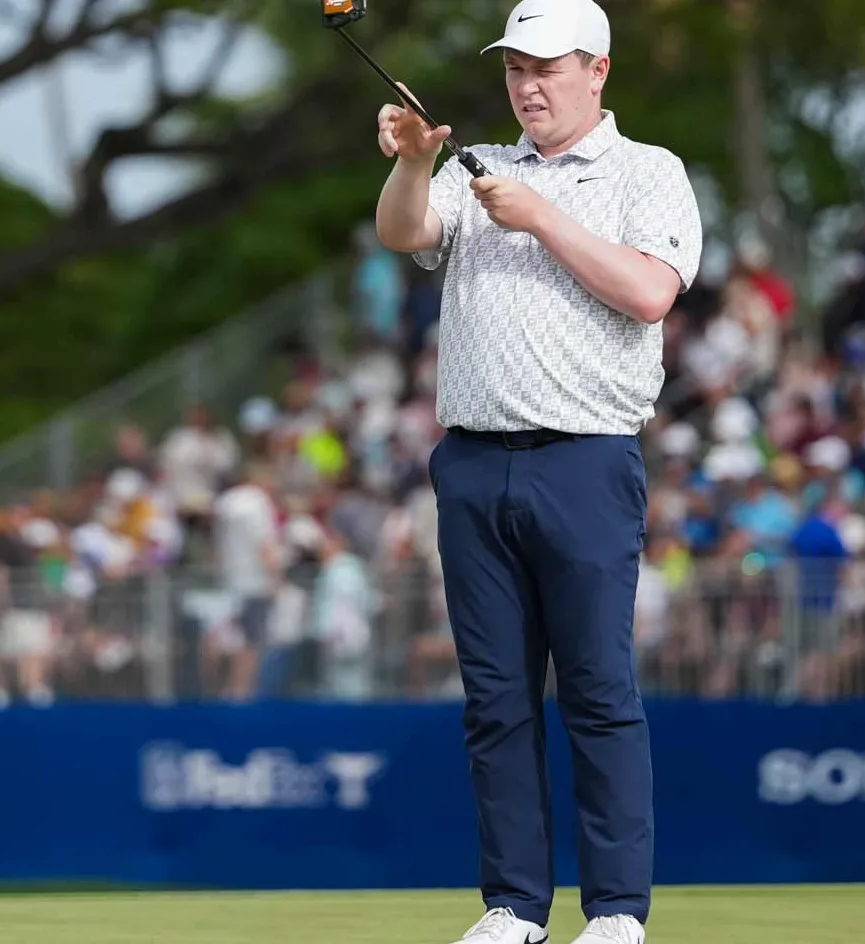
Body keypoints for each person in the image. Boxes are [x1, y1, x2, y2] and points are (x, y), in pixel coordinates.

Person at [373, 1, 702, 941]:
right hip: (473, 463)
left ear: (597, 71)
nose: (527, 85)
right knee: (497, 702)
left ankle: (615, 913)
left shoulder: (650, 173)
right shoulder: (482, 168)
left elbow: (647, 292)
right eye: (516, 67)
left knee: (598, 692)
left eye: (547, 67)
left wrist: (543, 218)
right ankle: (514, 906)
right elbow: (404, 234)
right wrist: (411, 163)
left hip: (586, 460)